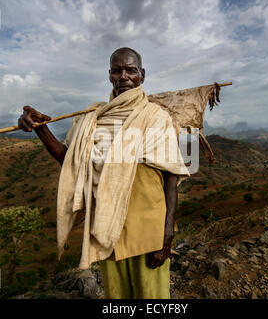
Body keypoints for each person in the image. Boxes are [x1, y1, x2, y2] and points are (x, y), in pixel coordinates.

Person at [18, 47, 189, 298]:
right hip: (107, 228)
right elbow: (70, 159)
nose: (124, 76)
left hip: (148, 229)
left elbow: (171, 178)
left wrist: (167, 235)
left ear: (142, 74)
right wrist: (40, 128)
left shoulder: (156, 117)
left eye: (130, 70)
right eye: (117, 70)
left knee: (152, 297)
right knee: (116, 297)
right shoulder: (93, 117)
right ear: (109, 75)